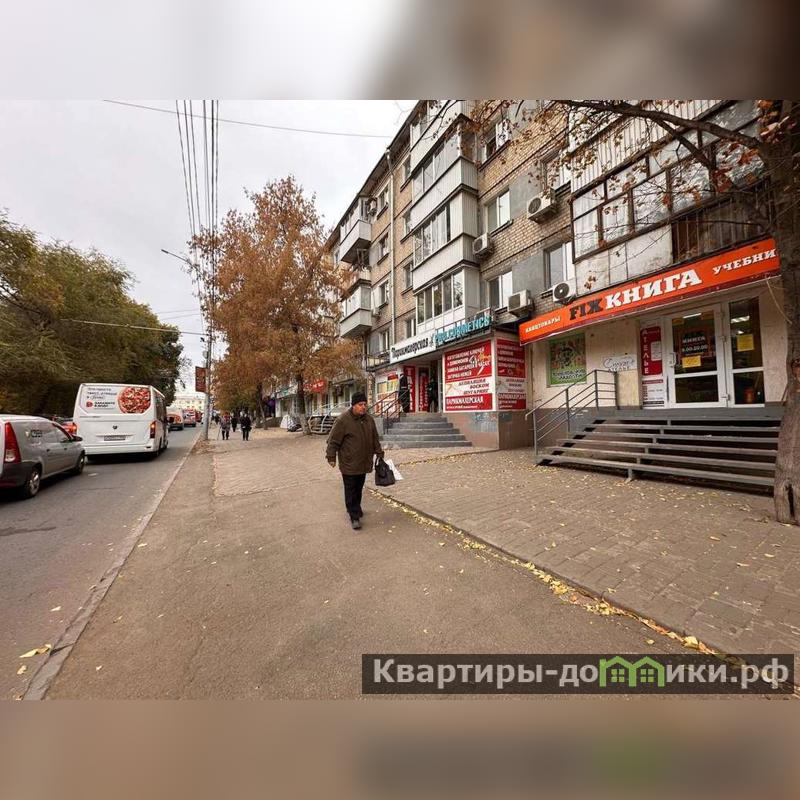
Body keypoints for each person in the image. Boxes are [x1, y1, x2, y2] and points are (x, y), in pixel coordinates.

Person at [325, 392, 384, 531]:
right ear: (353, 405)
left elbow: (375, 438)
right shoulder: (343, 420)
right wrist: (331, 456)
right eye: (360, 404)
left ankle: (355, 507)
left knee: (359, 487)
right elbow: (333, 440)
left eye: (365, 404)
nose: (363, 407)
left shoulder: (369, 420)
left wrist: (379, 453)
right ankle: (354, 516)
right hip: (349, 462)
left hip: (363, 461)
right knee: (351, 489)